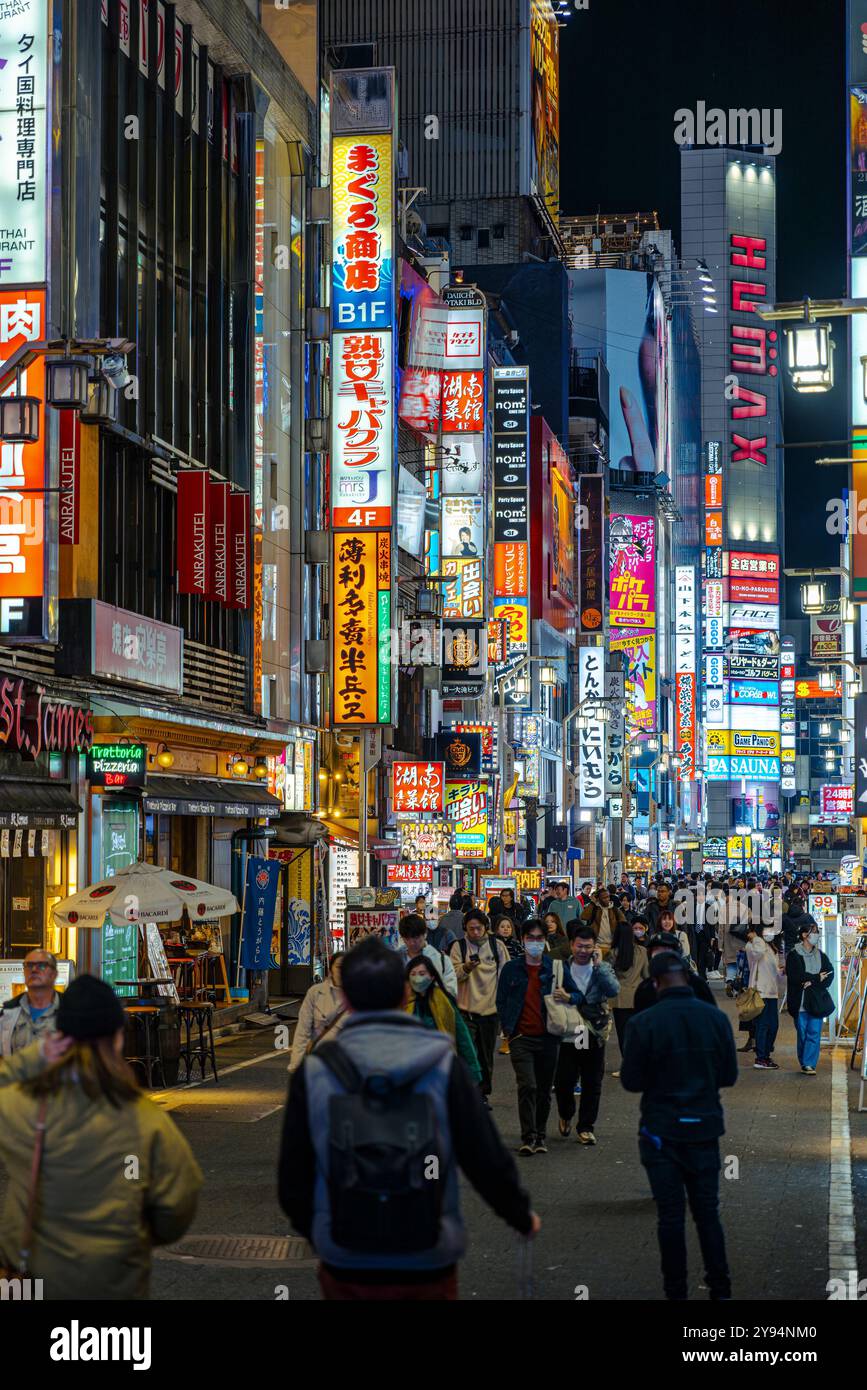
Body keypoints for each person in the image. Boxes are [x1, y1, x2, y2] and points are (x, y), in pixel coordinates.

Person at [278, 937, 539, 1300]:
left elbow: (293, 1176)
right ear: (403, 995)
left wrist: (322, 1231)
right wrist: (519, 1213)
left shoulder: (317, 1071)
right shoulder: (442, 1063)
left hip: (347, 1257)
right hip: (427, 1253)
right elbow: (484, 1156)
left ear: (347, 1000)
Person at [0, 974, 202, 1299]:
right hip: (114, 1279)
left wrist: (30, 1058)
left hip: (32, 1280)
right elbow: (177, 1206)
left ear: (59, 1036)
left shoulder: (22, 1106)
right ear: (118, 1038)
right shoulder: (144, 1119)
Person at [621, 951, 738, 1302]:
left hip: (661, 1131)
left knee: (670, 1217)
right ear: (687, 978)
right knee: (707, 1213)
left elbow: (631, 1081)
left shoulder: (643, 1023)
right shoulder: (714, 1019)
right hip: (704, 1129)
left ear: (655, 983)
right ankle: (720, 1289)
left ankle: (676, 1291)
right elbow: (729, 1075)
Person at [496, 919, 560, 1155]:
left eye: (539, 939)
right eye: (530, 938)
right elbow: (501, 1000)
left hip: (549, 1036)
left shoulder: (554, 968)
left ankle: (540, 1134)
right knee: (528, 1085)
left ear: (545, 941)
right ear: (523, 940)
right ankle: (528, 1136)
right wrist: (508, 1029)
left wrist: (567, 996)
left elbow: (572, 995)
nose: (534, 943)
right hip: (520, 1036)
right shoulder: (512, 969)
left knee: (544, 1089)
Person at [552, 924, 619, 1145]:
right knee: (564, 1081)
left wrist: (599, 966)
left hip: (592, 1029)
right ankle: (566, 1112)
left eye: (588, 947)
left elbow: (613, 990)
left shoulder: (602, 967)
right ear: (571, 945)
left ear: (595, 947)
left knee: (592, 1081)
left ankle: (586, 1127)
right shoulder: (561, 968)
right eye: (579, 946)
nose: (583, 950)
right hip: (569, 1031)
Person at [449, 908, 509, 1103]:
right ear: (465, 928)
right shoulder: (459, 947)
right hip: (466, 1010)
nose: (475, 932)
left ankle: (482, 1093)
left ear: (486, 928)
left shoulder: (496, 945)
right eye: (471, 929)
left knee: (485, 1055)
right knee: (467, 1054)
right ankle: (470, 1093)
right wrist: (466, 968)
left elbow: (504, 976)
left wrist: (504, 1006)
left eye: (479, 928)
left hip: (491, 1011)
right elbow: (452, 975)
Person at [404, 956, 482, 1084]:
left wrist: (473, 1071)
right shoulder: (403, 1004)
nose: (417, 978)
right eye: (413, 974)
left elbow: (462, 1037)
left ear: (432, 976)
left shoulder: (444, 1001)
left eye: (422, 973)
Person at [786, 921, 835, 1075]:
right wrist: (815, 978)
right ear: (804, 935)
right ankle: (804, 1060)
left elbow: (829, 973)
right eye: (813, 931)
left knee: (814, 1032)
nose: (816, 935)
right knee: (802, 1033)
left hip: (816, 1000)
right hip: (799, 1001)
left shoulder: (821, 955)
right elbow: (796, 976)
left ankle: (809, 1064)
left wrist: (812, 982)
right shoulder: (794, 954)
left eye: (816, 931)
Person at [288, 955, 347, 1072]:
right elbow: (303, 1030)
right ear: (331, 970)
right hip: (319, 1061)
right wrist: (296, 1065)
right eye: (339, 967)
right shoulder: (315, 993)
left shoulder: (359, 995)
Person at [633, 933, 717, 1012]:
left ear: (677, 953)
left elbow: (711, 1014)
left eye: (666, 949)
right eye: (656, 950)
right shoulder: (645, 988)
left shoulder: (696, 984)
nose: (661, 954)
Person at [0, 950, 61, 1056]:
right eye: (29, 965)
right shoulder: (8, 1012)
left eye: (41, 965)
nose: (34, 970)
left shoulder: (70, 1010)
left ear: (54, 974)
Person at [608, 918, 650, 1071]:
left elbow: (609, 977)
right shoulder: (642, 951)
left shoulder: (613, 954)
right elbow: (647, 975)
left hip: (619, 999)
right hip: (638, 998)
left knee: (623, 1034)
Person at [397, 914, 458, 998]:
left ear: (425, 934)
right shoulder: (395, 960)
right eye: (407, 938)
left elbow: (451, 991)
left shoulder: (441, 960)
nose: (412, 943)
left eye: (416, 937)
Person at [580, 886, 626, 956]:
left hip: (612, 946)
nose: (607, 899)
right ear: (598, 899)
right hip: (597, 946)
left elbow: (624, 925)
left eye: (608, 897)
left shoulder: (615, 910)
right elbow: (583, 916)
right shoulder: (594, 909)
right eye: (604, 898)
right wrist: (593, 903)